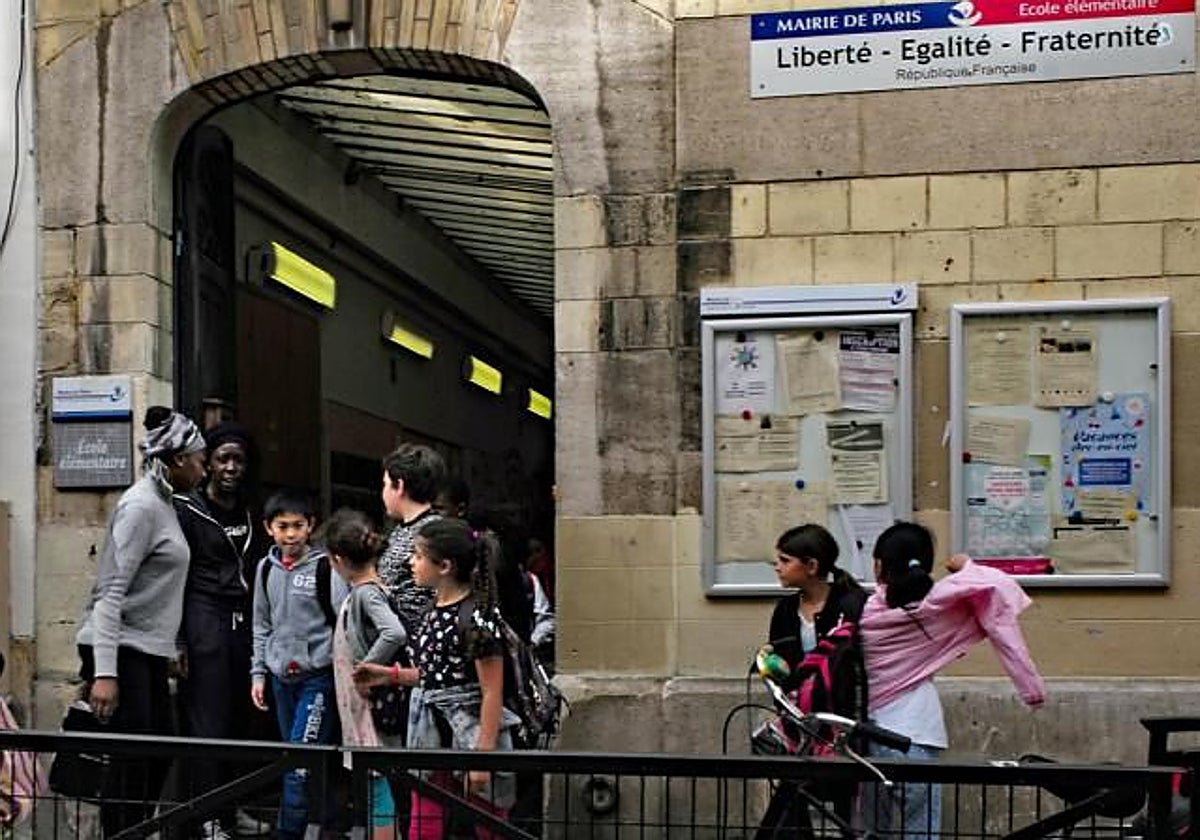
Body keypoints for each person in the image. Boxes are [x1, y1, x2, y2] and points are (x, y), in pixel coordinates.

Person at [861, 522, 1046, 840]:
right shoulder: (943, 606)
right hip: (917, 732)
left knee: (872, 832)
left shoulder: (867, 611)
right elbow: (997, 595)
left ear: (879, 564)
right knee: (921, 831)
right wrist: (966, 566)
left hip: (868, 733)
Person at [74, 406, 207, 836]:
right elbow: (110, 593)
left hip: (145, 648)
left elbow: (156, 591)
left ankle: (131, 831)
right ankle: (121, 833)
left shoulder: (165, 502)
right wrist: (105, 672)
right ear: (177, 459)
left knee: (157, 751)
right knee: (134, 759)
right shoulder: (140, 507)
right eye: (201, 458)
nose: (205, 467)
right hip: (120, 646)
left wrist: (168, 649)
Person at [357, 518, 518, 840]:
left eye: (418, 555)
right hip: (430, 731)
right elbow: (437, 676)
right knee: (423, 822)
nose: (410, 562)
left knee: (488, 824)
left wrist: (483, 759)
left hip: (470, 733)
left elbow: (491, 692)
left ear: (444, 565)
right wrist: (390, 675)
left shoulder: (478, 618)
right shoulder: (433, 609)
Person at [173, 421, 272, 839]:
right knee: (208, 721)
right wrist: (177, 640)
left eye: (239, 460)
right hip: (204, 619)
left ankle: (233, 809)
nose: (232, 467)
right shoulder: (187, 510)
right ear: (208, 465)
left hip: (244, 621)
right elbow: (173, 574)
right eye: (223, 459)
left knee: (239, 719)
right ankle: (207, 816)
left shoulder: (253, 512)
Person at [757, 523, 867, 838]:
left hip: (838, 719)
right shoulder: (785, 610)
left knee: (846, 800)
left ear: (812, 566)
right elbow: (782, 662)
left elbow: (852, 663)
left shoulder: (849, 604)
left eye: (785, 560)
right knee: (794, 795)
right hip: (798, 720)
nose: (777, 567)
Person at [250, 490, 348, 840]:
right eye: (282, 526)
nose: (290, 534)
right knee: (297, 759)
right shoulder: (265, 569)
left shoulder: (325, 568)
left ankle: (289, 832)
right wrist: (258, 674)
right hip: (280, 680)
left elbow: (343, 621)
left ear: (311, 527)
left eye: (298, 526)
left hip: (317, 679)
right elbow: (261, 625)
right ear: (268, 528)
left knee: (298, 762)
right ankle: (325, 824)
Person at [323, 508, 415, 840]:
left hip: (369, 711)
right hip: (364, 710)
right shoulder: (370, 591)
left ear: (337, 559)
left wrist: (367, 669)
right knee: (379, 781)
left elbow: (394, 633)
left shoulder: (365, 594)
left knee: (379, 785)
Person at [378, 444, 447, 636]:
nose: (383, 492)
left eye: (385, 484)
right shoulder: (401, 530)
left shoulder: (430, 534)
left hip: (414, 647)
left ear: (399, 486)